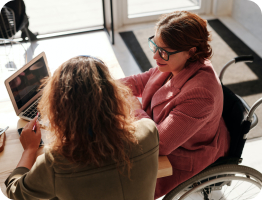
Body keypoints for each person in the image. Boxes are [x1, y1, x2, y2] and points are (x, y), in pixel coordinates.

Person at [5, 56, 159, 200]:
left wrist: (29, 149)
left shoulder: (56, 162)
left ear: (59, 108)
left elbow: (15, 191)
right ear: (114, 95)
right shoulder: (149, 131)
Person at [120, 11, 230, 199]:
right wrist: (101, 85)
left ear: (191, 51)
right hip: (166, 134)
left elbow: (160, 145)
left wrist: (135, 108)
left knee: (119, 179)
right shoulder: (176, 63)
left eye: (163, 51)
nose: (155, 55)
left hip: (182, 157)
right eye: (154, 45)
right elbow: (142, 80)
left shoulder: (201, 94)